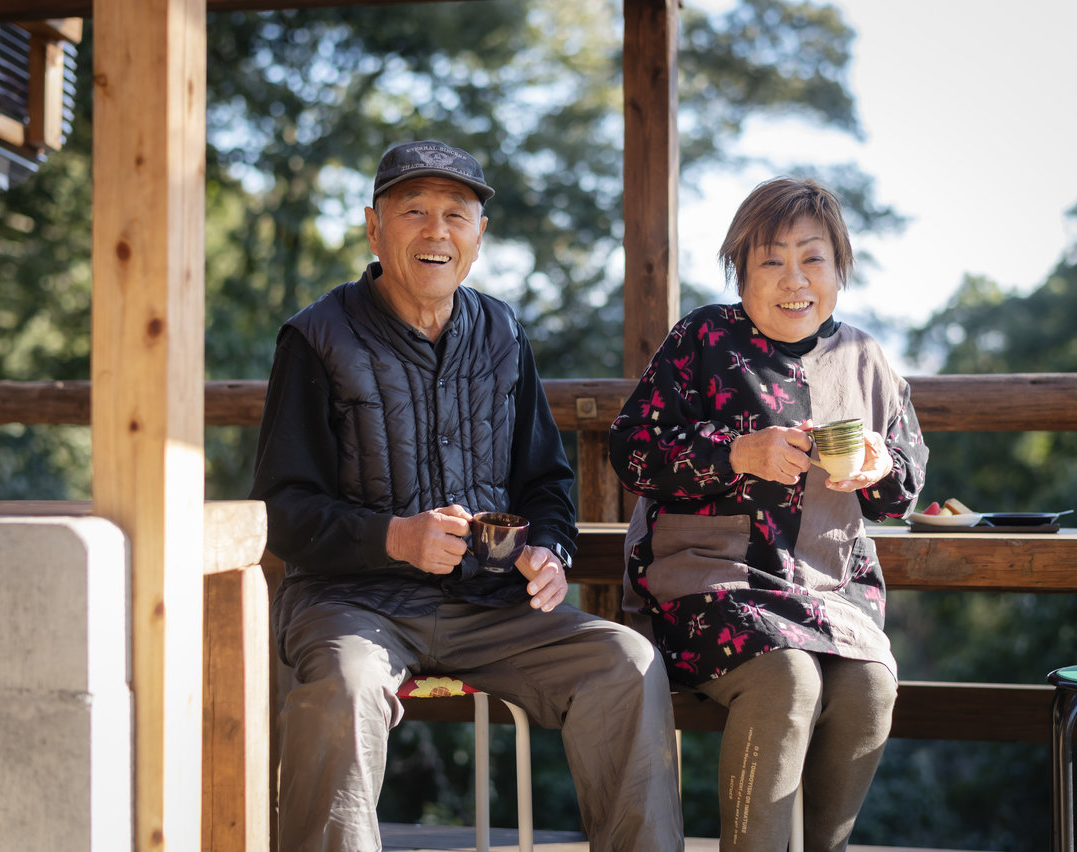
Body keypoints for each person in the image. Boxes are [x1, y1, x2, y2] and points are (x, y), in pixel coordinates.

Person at [249, 139, 683, 852]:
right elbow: (281, 511)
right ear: (373, 227)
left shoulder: (503, 332)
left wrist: (550, 548)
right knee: (343, 690)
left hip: (493, 607)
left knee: (626, 664)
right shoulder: (316, 337)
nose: (436, 231)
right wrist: (394, 537)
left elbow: (547, 481)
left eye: (456, 214)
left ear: (479, 237)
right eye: (414, 210)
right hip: (354, 607)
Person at [608, 177, 928, 852]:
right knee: (786, 678)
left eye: (812, 258)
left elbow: (902, 491)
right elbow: (633, 449)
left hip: (829, 590)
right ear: (741, 272)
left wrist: (879, 469)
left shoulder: (865, 357)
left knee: (871, 689)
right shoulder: (703, 337)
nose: (794, 279)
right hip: (708, 585)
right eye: (771, 260)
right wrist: (735, 452)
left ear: (839, 269)